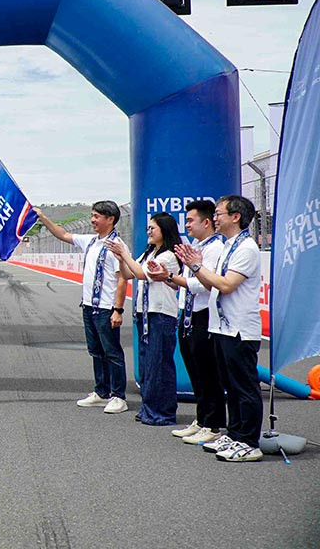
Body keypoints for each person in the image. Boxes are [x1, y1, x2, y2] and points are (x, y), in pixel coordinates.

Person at [174, 195, 264, 462]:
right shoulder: (228, 246)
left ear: (236, 217)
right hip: (222, 328)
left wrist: (197, 266)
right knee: (230, 386)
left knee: (244, 386)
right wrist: (194, 266)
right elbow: (211, 282)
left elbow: (226, 285)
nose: (215, 218)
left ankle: (249, 441)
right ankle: (235, 434)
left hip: (239, 329)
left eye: (220, 213)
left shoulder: (246, 248)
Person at [34, 201, 129, 414]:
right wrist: (43, 217)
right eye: (92, 216)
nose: (93, 220)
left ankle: (118, 396)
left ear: (110, 219)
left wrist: (118, 309)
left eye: (96, 216)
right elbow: (63, 234)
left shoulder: (117, 246)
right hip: (88, 306)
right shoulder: (91, 241)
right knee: (96, 351)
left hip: (106, 308)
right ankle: (101, 392)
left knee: (112, 352)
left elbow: (122, 279)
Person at [148, 200, 226, 445]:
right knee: (195, 371)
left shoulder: (214, 249)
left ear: (206, 222)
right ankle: (202, 419)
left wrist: (171, 276)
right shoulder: (195, 245)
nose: (187, 225)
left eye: (191, 220)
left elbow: (204, 282)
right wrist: (169, 279)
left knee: (207, 372)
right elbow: (186, 280)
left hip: (204, 316)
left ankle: (213, 423)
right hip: (188, 314)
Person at [108, 212, 182, 426]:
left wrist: (125, 253)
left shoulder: (168, 255)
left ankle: (162, 412)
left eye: (153, 228)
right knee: (147, 365)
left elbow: (142, 274)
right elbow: (129, 274)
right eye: (148, 228)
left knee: (159, 364)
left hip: (160, 314)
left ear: (164, 230)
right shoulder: (150, 252)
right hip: (145, 314)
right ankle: (149, 408)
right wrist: (122, 259)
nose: (148, 232)